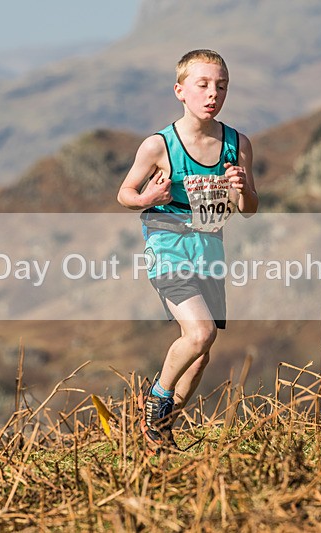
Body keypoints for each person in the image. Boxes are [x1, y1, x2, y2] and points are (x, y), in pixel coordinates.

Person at [117, 49, 258, 450]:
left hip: (209, 247)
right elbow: (124, 193)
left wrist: (241, 188)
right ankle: (156, 401)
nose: (213, 94)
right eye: (203, 85)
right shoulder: (158, 145)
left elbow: (248, 210)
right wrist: (150, 197)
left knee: (200, 355)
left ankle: (159, 435)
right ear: (180, 91)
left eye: (221, 86)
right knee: (200, 333)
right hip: (168, 244)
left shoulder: (237, 144)